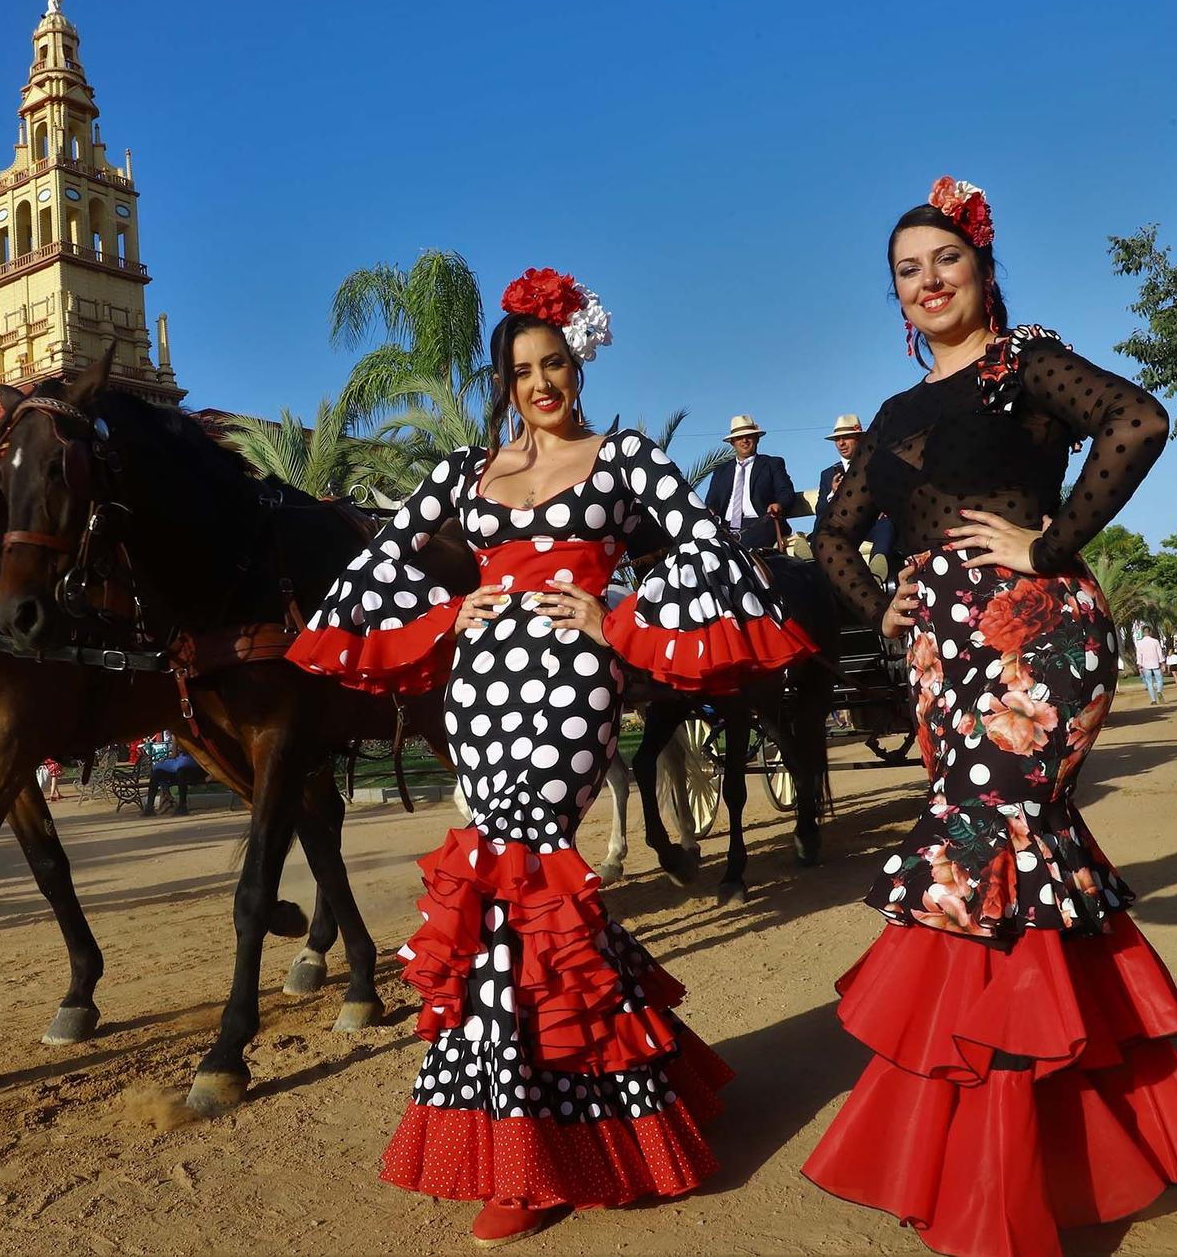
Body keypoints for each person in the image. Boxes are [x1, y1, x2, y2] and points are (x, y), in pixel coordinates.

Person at [288, 266, 816, 1247]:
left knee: (518, 870)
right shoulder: (462, 469)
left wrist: (616, 615)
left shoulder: (621, 461)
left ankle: (523, 1147)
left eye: (555, 363)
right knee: (510, 887)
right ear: (504, 378)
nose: (541, 382)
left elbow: (705, 546)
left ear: (581, 363)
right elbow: (378, 556)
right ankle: (643, 1081)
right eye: (523, 368)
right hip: (479, 684)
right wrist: (452, 611)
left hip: (572, 679)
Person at [805, 177, 1177, 1257]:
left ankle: (992, 1186)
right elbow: (829, 540)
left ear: (981, 269)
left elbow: (1136, 421)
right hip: (937, 658)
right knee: (1005, 856)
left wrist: (1044, 549)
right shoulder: (897, 414)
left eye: (941, 260)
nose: (926, 281)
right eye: (905, 270)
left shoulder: (1023, 364)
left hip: (1036, 637)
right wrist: (888, 600)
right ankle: (1084, 1134)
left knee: (983, 847)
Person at [812, 413, 897, 575]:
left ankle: (877, 572)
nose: (841, 443)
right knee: (823, 526)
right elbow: (820, 510)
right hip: (842, 526)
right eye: (837, 439)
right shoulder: (828, 474)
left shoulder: (878, 465)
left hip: (871, 524)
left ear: (860, 439)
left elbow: (893, 492)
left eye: (846, 438)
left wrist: (883, 506)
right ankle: (813, 555)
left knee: (886, 525)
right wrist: (833, 494)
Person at [703, 414, 795, 549]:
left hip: (762, 522)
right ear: (732, 442)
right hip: (725, 526)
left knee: (737, 549)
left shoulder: (772, 464)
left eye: (749, 436)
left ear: (757, 439)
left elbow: (786, 492)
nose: (744, 440)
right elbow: (711, 501)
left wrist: (779, 505)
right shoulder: (721, 470)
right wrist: (710, 510)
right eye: (739, 437)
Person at [1132, 623, 1165, 704]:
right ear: (1150, 632)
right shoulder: (1155, 641)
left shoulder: (1140, 643)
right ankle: (1159, 691)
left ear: (1143, 633)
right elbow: (1159, 653)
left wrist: (1139, 664)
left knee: (1149, 682)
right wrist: (1162, 662)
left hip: (1146, 665)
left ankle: (1153, 700)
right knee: (1159, 679)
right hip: (1155, 663)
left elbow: (1139, 654)